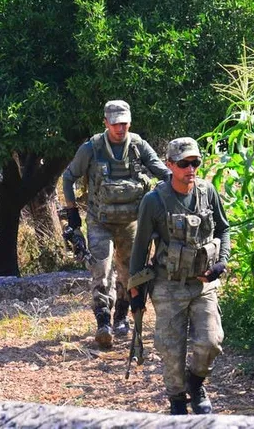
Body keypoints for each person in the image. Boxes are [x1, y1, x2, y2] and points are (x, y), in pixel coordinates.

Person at [128, 137, 230, 415]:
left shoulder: (208, 192)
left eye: (195, 163)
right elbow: (140, 249)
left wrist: (221, 262)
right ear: (170, 165)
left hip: (202, 285)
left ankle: (195, 384)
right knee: (171, 352)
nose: (191, 168)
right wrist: (135, 292)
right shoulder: (154, 201)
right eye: (184, 163)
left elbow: (223, 229)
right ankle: (176, 401)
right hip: (167, 286)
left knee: (211, 342)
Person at [61, 100, 170, 348]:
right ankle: (103, 322)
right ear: (106, 123)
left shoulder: (138, 145)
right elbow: (68, 177)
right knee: (101, 270)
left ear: (129, 122)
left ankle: (121, 316)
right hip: (100, 221)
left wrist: (182, 187)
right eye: (115, 123)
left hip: (132, 222)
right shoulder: (92, 148)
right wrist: (72, 213)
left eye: (124, 123)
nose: (120, 128)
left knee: (130, 272)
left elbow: (162, 171)